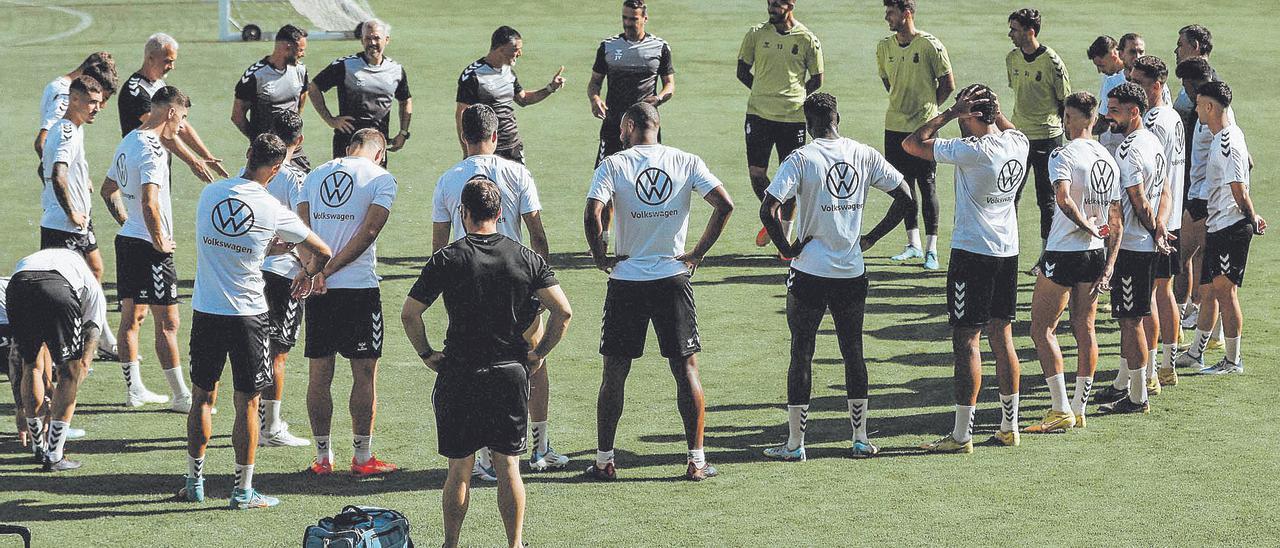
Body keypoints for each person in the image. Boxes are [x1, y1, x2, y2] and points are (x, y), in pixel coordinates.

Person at [403, 178, 573, 548]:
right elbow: (563, 311)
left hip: (460, 372)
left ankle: (451, 544)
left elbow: (410, 314)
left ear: (463, 214)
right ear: (500, 214)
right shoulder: (526, 258)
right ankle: (514, 544)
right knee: (509, 465)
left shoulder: (446, 258)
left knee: (459, 469)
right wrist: (539, 353)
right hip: (509, 374)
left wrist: (427, 354)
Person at [758, 92, 914, 460]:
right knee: (853, 352)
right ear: (837, 117)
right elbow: (907, 197)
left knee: (802, 353)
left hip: (809, 270)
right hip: (851, 270)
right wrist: (870, 239)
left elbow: (769, 208)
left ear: (809, 124)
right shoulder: (863, 154)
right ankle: (860, 438)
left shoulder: (801, 158)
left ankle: (796, 444)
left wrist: (787, 247)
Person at [584, 102, 734, 480]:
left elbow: (593, 212)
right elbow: (725, 204)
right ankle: (696, 460)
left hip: (627, 280)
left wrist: (601, 255)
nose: (620, 134)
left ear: (631, 125)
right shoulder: (686, 161)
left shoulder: (614, 165)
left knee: (614, 372)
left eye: (622, 128)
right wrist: (697, 253)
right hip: (672, 276)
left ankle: (604, 461)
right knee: (685, 368)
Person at [182, 134, 331, 508]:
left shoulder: (210, 194)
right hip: (249, 316)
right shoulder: (272, 209)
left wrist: (263, 245)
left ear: (248, 154)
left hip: (207, 310)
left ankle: (193, 483)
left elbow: (223, 240)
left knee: (202, 398)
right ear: (277, 168)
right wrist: (309, 273)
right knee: (248, 403)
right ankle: (242, 491)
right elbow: (322, 250)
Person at [432, 104, 566, 477]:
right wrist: (541, 287)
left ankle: (479, 458)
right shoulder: (518, 173)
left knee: (473, 365)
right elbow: (537, 236)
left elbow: (438, 247)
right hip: (517, 281)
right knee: (534, 362)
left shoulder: (447, 179)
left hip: (467, 284)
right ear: (496, 136)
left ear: (463, 136)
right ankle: (538, 448)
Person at [903, 84, 1028, 453]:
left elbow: (913, 143)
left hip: (973, 254)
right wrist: (990, 110)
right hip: (1008, 251)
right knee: (1002, 337)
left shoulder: (971, 151)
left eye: (964, 115)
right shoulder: (1017, 142)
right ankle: (1009, 426)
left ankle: (961, 435)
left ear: (972, 116)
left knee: (966, 341)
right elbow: (1008, 127)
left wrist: (949, 113)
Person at [298, 129, 399, 477]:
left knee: (319, 374)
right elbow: (369, 232)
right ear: (380, 152)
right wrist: (329, 269)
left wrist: (313, 270)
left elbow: (301, 229)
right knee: (364, 374)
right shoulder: (382, 178)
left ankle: (323, 458)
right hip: (358, 289)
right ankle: (362, 457)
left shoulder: (314, 175)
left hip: (319, 289)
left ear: (347, 147)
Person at [1022, 91, 1122, 433]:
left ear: (1085, 118)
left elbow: (1063, 201)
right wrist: (1109, 263)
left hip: (1065, 251)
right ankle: (1079, 408)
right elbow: (1115, 216)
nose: (1064, 123)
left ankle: (1060, 407)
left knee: (1041, 328)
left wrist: (1083, 225)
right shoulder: (1106, 158)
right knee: (1085, 328)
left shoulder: (1062, 155)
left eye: (1068, 117)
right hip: (1095, 253)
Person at [99, 85, 195, 411]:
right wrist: (157, 239)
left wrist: (128, 223)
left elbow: (107, 189)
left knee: (130, 318)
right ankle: (182, 396)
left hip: (127, 241)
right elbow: (150, 201)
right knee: (168, 322)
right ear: (170, 112)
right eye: (181, 118)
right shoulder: (154, 150)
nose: (181, 125)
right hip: (149, 248)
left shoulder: (128, 141)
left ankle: (134, 390)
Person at [1093, 83, 1172, 416]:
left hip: (1131, 246)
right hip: (1145, 244)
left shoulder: (1128, 150)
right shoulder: (1152, 142)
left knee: (1131, 320)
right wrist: (1161, 228)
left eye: (1115, 110)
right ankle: (1127, 382)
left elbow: (1138, 200)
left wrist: (1154, 230)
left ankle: (1138, 396)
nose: (1110, 116)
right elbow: (1165, 191)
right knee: (1135, 314)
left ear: (1134, 111)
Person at [1176, 82, 1265, 375]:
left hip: (1230, 227)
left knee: (1226, 294)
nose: (1197, 109)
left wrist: (1252, 219)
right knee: (1209, 290)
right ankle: (1196, 353)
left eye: (1200, 104)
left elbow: (1239, 189)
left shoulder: (1227, 143)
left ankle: (1233, 360)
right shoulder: (1221, 136)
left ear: (1210, 107)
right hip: (1218, 225)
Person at [9, 248, 107, 472]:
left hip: (18, 283)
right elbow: (83, 363)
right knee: (68, 372)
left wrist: (23, 406)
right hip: (56, 287)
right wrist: (61, 398)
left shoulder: (52, 259)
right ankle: (54, 456)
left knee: (31, 365)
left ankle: (38, 447)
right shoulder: (93, 294)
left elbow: (17, 355)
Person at [737, 0, 823, 251]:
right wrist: (763, 91)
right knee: (756, 174)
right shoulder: (756, 34)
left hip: (792, 118)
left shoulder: (807, 39)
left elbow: (817, 78)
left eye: (777, 4)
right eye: (769, 3)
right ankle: (772, 218)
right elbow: (742, 70)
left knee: (793, 180)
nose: (771, 8)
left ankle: (783, 238)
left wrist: (795, 96)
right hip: (758, 115)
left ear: (791, 4)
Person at [588, 0, 675, 240]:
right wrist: (595, 99)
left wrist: (657, 99)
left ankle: (648, 232)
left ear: (644, 18)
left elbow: (669, 85)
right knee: (605, 179)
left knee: (647, 178)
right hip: (614, 125)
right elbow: (595, 82)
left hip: (646, 128)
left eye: (633, 19)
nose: (628, 23)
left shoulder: (659, 47)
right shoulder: (608, 47)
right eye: (625, 18)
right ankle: (604, 236)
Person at [876, 0, 953, 270]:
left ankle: (932, 250)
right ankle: (913, 244)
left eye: (891, 12)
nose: (887, 17)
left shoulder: (930, 45)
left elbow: (948, 84)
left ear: (906, 14)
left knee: (927, 184)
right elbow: (889, 82)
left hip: (923, 127)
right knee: (903, 186)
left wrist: (929, 112)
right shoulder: (884, 47)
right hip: (894, 126)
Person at [1130, 56, 1186, 389]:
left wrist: (1153, 223)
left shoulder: (1152, 121)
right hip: (1173, 216)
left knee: (1149, 295)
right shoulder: (1173, 116)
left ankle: (1149, 372)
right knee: (1164, 292)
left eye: (1138, 81)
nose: (1132, 85)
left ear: (1156, 85)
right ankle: (1167, 365)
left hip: (1157, 222)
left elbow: (1154, 178)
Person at [257, 111, 311, 447]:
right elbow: (304, 229)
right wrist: (309, 271)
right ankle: (271, 428)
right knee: (278, 351)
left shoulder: (250, 173)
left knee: (258, 346)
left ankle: (257, 417)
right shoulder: (295, 178)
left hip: (252, 271)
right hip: (283, 273)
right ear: (299, 140)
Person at [1005, 8, 1069, 254]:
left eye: (1014, 29)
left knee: (1047, 199)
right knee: (1010, 195)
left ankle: (1046, 254)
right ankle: (1008, 249)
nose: (1010, 34)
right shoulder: (1011, 58)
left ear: (1030, 31)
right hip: (1019, 136)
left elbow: (1064, 100)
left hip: (1047, 137)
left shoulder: (1051, 61)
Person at [1174, 56, 1227, 351]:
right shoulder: (1215, 114)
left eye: (1186, 84)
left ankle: (1188, 329)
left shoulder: (1211, 121)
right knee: (1201, 264)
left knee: (1192, 262)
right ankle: (1207, 331)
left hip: (1203, 200)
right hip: (1201, 196)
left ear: (1194, 85)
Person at [456, 26, 566, 164]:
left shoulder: (508, 72)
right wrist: (467, 152)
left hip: (513, 145)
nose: (520, 54)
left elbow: (523, 99)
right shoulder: (473, 75)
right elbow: (461, 114)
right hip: (486, 150)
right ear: (500, 49)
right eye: (516, 49)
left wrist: (550, 88)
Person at [308, 19, 412, 166]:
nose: (372, 43)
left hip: (377, 143)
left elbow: (405, 100)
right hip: (347, 142)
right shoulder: (345, 65)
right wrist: (330, 120)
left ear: (386, 40)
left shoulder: (396, 70)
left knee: (374, 186)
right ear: (362, 40)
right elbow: (313, 87)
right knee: (345, 185)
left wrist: (403, 133)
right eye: (367, 38)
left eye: (376, 38)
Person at [233, 24, 310, 170]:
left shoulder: (301, 70)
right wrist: (256, 139)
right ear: (287, 47)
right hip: (266, 153)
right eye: (300, 50)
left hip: (293, 150)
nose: (302, 54)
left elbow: (302, 98)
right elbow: (237, 116)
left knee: (303, 188)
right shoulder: (255, 75)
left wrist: (292, 128)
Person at [35, 52, 115, 163]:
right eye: (103, 98)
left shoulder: (59, 84)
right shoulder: (65, 97)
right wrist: (54, 175)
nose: (102, 105)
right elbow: (41, 142)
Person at [1086, 36, 1127, 154]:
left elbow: (1103, 123)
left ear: (1113, 54)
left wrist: (1083, 131)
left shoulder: (1113, 81)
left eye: (1101, 65)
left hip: (1115, 145)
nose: (1099, 70)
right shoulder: (1109, 76)